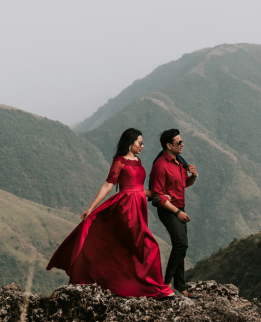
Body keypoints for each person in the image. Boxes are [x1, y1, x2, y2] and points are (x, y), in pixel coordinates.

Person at [46, 128, 174, 299]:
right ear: (130, 143)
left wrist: (158, 195)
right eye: (140, 143)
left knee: (131, 249)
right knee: (150, 246)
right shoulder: (120, 161)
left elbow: (140, 189)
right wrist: (91, 208)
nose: (142, 146)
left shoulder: (138, 161)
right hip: (126, 208)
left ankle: (132, 287)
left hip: (139, 207)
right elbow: (108, 185)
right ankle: (156, 289)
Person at [150, 128, 200, 298]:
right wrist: (177, 212)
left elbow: (182, 184)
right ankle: (165, 285)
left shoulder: (179, 162)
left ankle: (181, 288)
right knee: (181, 244)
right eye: (179, 142)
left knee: (182, 247)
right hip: (168, 210)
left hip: (180, 208)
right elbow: (157, 195)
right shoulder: (160, 166)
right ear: (168, 145)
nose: (182, 144)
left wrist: (193, 176)